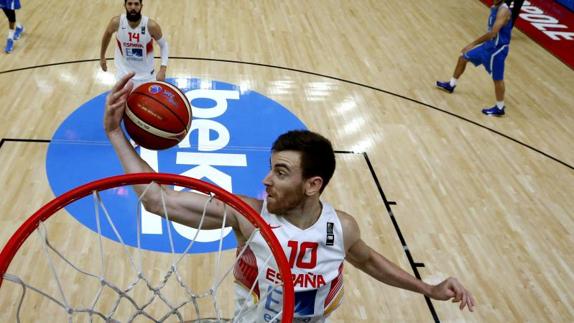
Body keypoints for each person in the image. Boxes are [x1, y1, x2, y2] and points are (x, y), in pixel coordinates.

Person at [105, 73, 476, 322]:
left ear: (313, 185)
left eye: (281, 173)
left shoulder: (341, 228)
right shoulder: (246, 215)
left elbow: (370, 262)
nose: (266, 180)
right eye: (271, 168)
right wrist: (115, 134)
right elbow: (159, 201)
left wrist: (427, 288)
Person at [436, 0, 513, 116]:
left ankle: (499, 108)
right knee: (463, 58)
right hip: (489, 45)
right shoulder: (495, 6)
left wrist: (472, 44)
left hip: (497, 49)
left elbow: (493, 33)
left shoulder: (503, 11)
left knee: (498, 79)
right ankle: (451, 85)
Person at [100, 0, 168, 88]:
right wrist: (102, 57)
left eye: (136, 4)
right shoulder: (116, 22)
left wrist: (163, 69)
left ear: (141, 6)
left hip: (146, 77)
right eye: (130, 4)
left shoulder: (151, 26)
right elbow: (107, 35)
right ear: (125, 5)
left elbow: (164, 45)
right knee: (121, 102)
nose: (133, 7)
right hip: (123, 76)